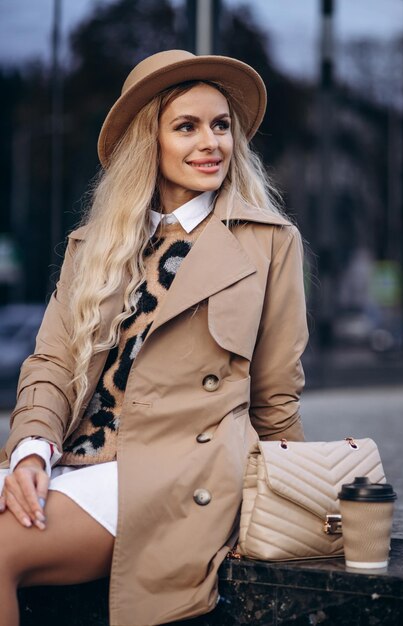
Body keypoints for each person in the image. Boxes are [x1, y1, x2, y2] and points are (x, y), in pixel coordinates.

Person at [0, 49, 308, 626]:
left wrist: (291, 506)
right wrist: (31, 450)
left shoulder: (268, 242)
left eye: (221, 126)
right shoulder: (94, 246)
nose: (211, 143)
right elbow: (52, 361)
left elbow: (276, 395)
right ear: (151, 143)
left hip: (175, 476)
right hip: (76, 459)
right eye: (186, 127)